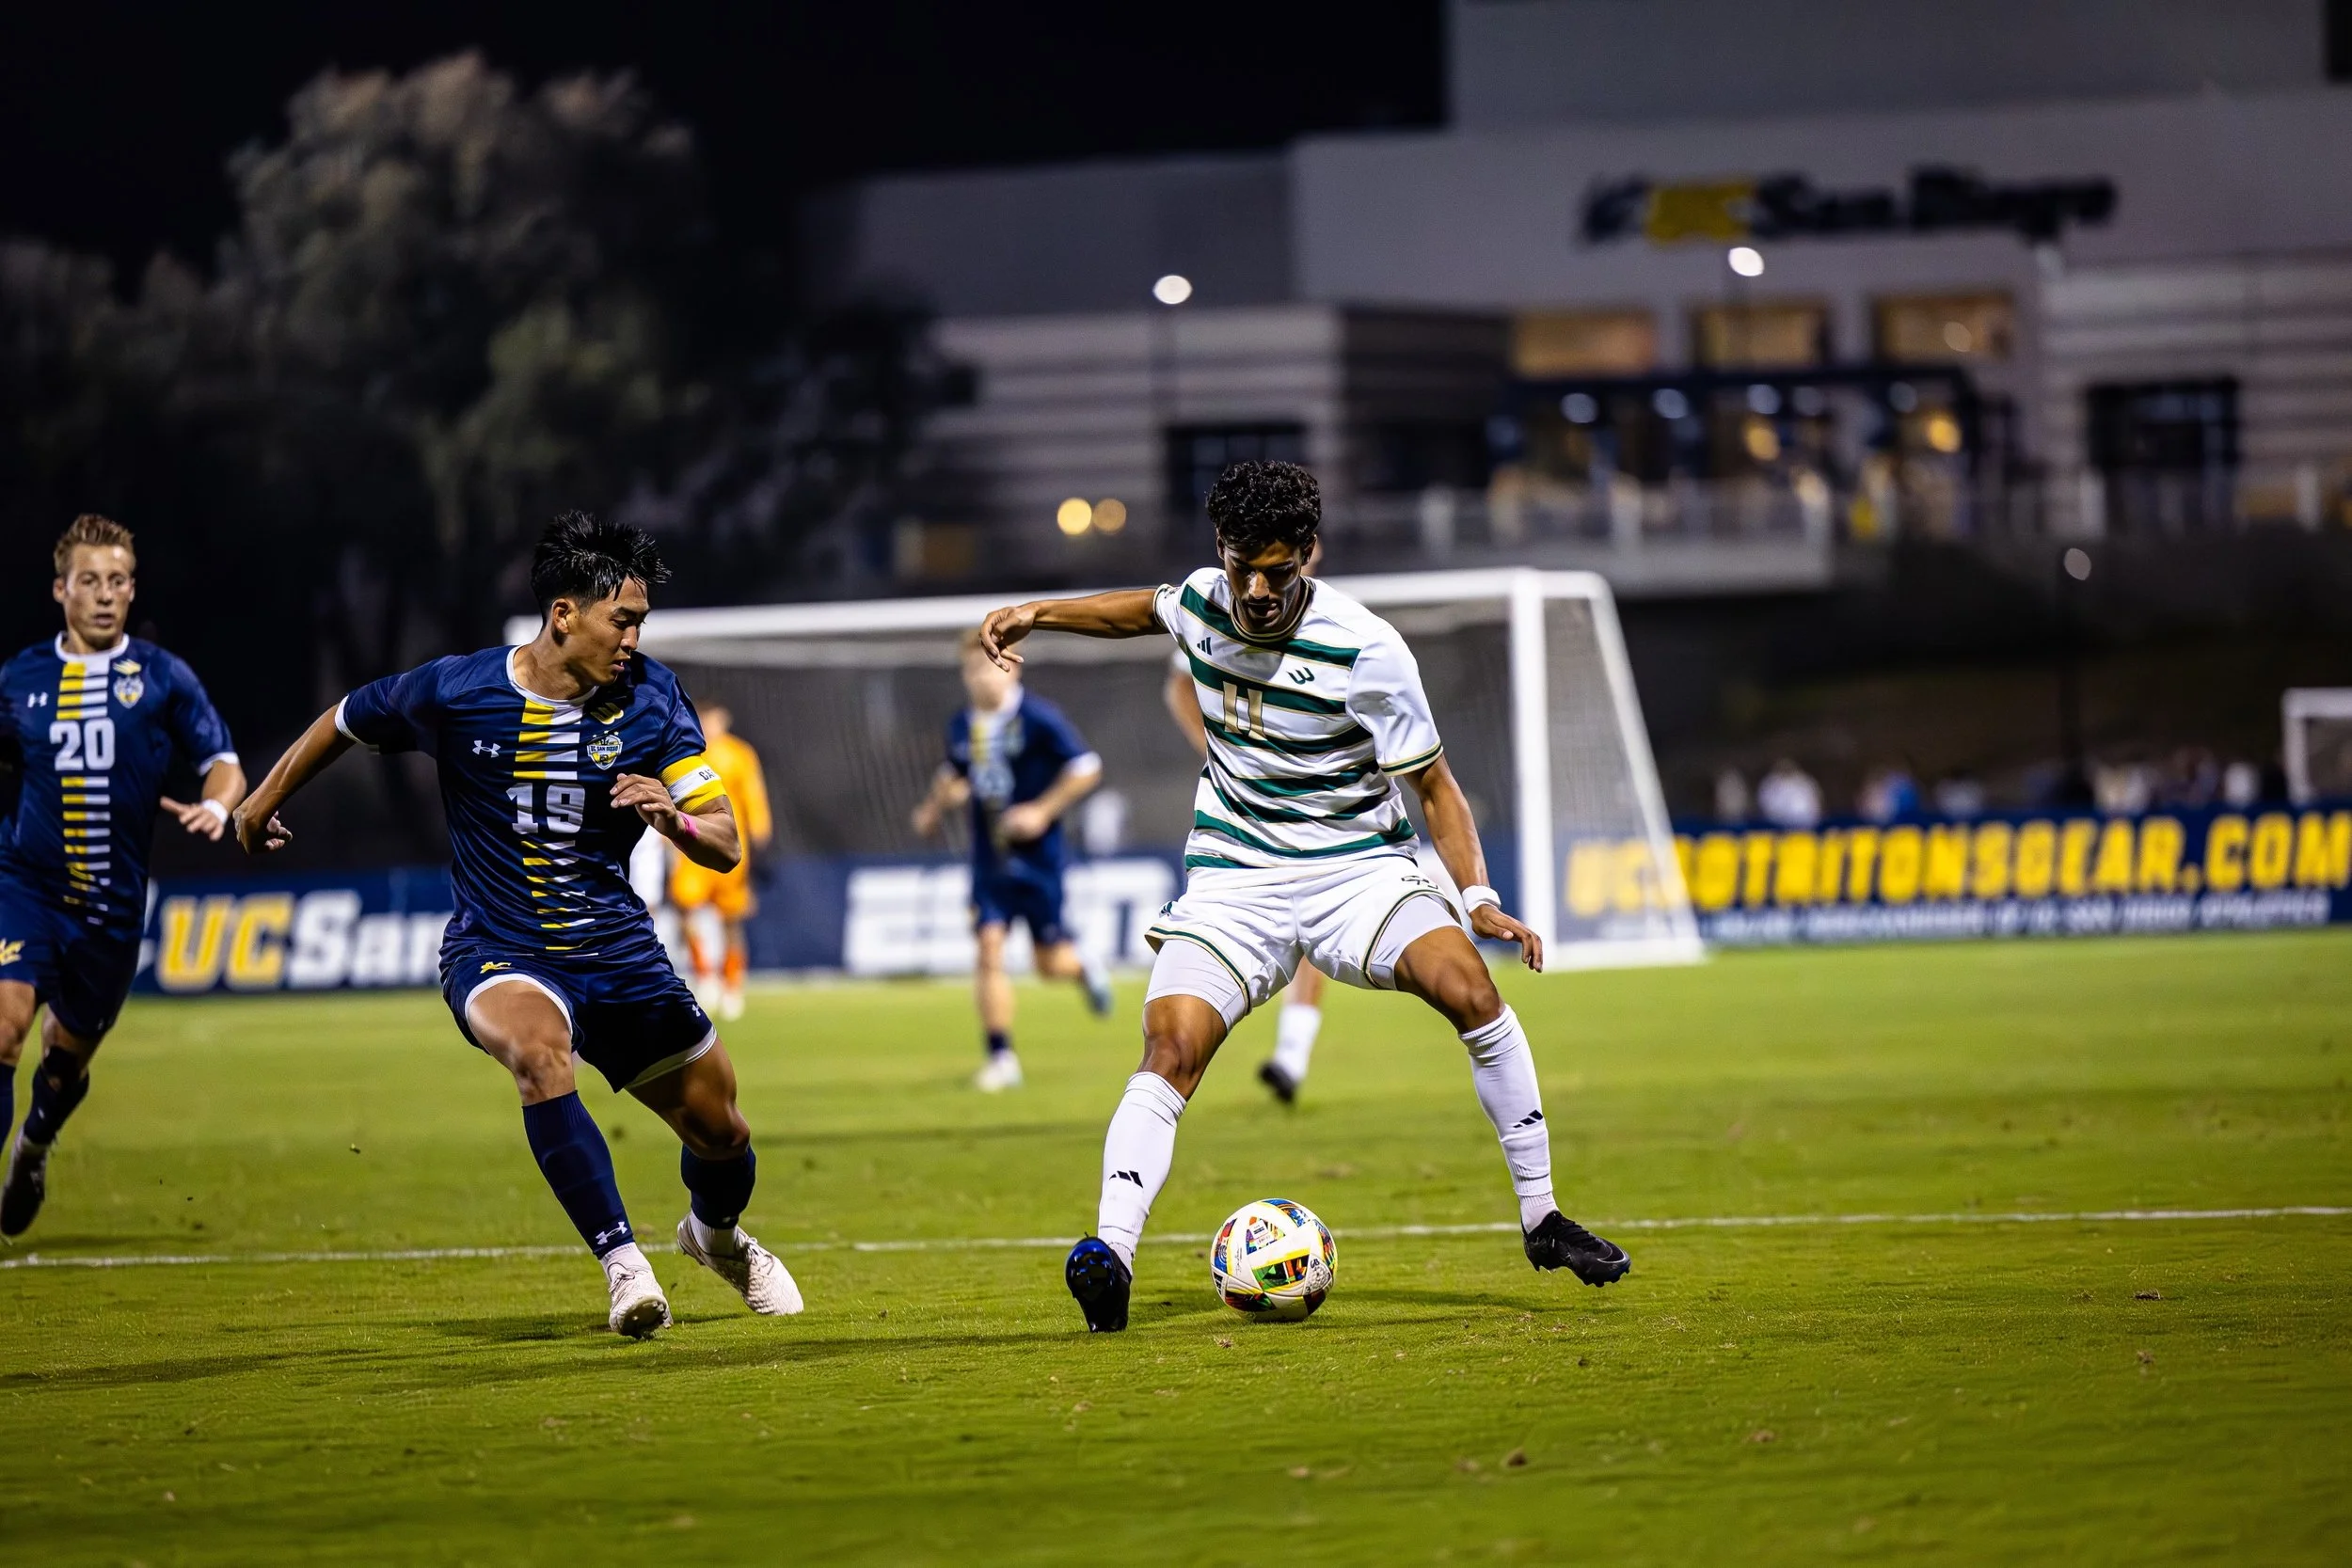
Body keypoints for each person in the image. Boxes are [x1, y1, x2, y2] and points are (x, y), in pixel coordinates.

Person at [975, 460, 1630, 1333]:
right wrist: (1036, 612)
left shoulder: (1368, 649)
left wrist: (1475, 894)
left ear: (1310, 557)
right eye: (1240, 566)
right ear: (1222, 551)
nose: (1254, 590)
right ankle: (1111, 1258)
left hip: (1358, 870)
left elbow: (1434, 784)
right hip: (1236, 877)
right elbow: (1142, 608)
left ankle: (1543, 1218)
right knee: (1169, 1050)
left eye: (1276, 572)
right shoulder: (1206, 602)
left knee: (1473, 991)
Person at [232, 513, 798, 1338]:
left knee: (723, 1130)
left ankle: (713, 1237)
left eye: (641, 621)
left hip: (619, 954)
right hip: (498, 949)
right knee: (539, 1055)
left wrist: (671, 818)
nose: (635, 638)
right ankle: (622, 1263)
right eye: (623, 620)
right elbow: (347, 718)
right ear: (564, 614)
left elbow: (725, 841)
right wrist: (263, 798)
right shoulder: (459, 689)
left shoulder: (653, 698)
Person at [0, 515, 247, 1238]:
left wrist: (215, 804)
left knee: (60, 1062)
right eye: (90, 581)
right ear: (60, 589)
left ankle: (34, 1147)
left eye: (117, 581)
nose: (105, 595)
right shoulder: (19, 679)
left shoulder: (163, 677)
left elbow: (223, 761)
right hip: (28, 887)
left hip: (110, 911)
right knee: (6, 1028)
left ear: (132, 589)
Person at [912, 629, 1113, 1092]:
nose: (979, 678)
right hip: (989, 863)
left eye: (986, 667)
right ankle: (1001, 1056)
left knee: (1049, 965)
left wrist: (1042, 811)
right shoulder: (962, 725)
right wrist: (932, 809)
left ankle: (1081, 967)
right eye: (970, 669)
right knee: (988, 946)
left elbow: (1086, 767)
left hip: (1040, 862)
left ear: (1012, 667)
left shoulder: (1040, 719)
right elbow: (958, 774)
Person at [1165, 641, 1328, 1105]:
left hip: (1310, 799)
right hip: (1240, 807)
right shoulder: (1219, 614)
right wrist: (1219, 752)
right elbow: (1179, 684)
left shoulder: (1337, 626)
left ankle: (1292, 1056)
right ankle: (1174, 1055)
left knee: (1315, 912)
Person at [667, 702, 773, 1022]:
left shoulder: (739, 754)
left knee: (731, 918)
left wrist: (759, 830)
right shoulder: (688, 751)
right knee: (684, 908)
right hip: (692, 846)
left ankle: (732, 983)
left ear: (723, 720)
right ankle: (704, 975)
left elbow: (754, 796)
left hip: (729, 847)